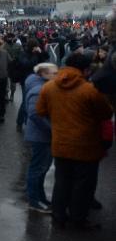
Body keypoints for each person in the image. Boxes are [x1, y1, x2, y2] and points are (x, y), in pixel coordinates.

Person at [36, 50, 113, 230]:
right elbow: (106, 113)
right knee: (82, 184)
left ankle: (59, 216)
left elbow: (40, 111)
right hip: (86, 145)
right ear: (85, 70)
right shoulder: (89, 90)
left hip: (60, 143)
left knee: (62, 181)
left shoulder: (49, 87)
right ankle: (78, 218)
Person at [23, 63, 58, 213]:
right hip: (40, 136)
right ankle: (34, 200)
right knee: (38, 168)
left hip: (43, 135)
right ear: (43, 73)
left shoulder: (43, 86)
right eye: (54, 73)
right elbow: (34, 114)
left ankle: (40, 197)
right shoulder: (39, 89)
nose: (57, 76)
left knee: (42, 168)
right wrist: (52, 129)